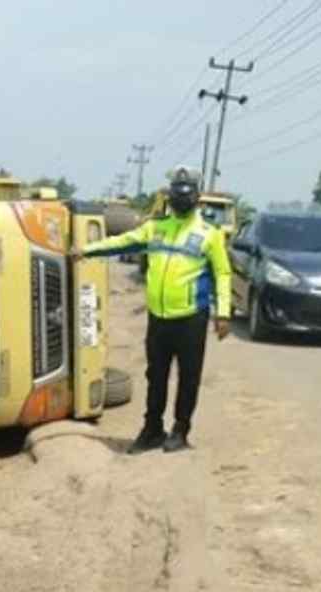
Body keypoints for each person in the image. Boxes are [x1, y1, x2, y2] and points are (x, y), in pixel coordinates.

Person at [74, 166, 232, 454]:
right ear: (170, 198)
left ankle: (181, 430)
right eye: (176, 195)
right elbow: (121, 242)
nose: (181, 200)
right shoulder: (155, 228)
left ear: (197, 199)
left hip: (190, 318)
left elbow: (222, 273)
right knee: (155, 375)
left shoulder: (210, 235)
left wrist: (223, 313)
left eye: (187, 195)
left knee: (188, 376)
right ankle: (152, 429)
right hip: (158, 318)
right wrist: (86, 250)